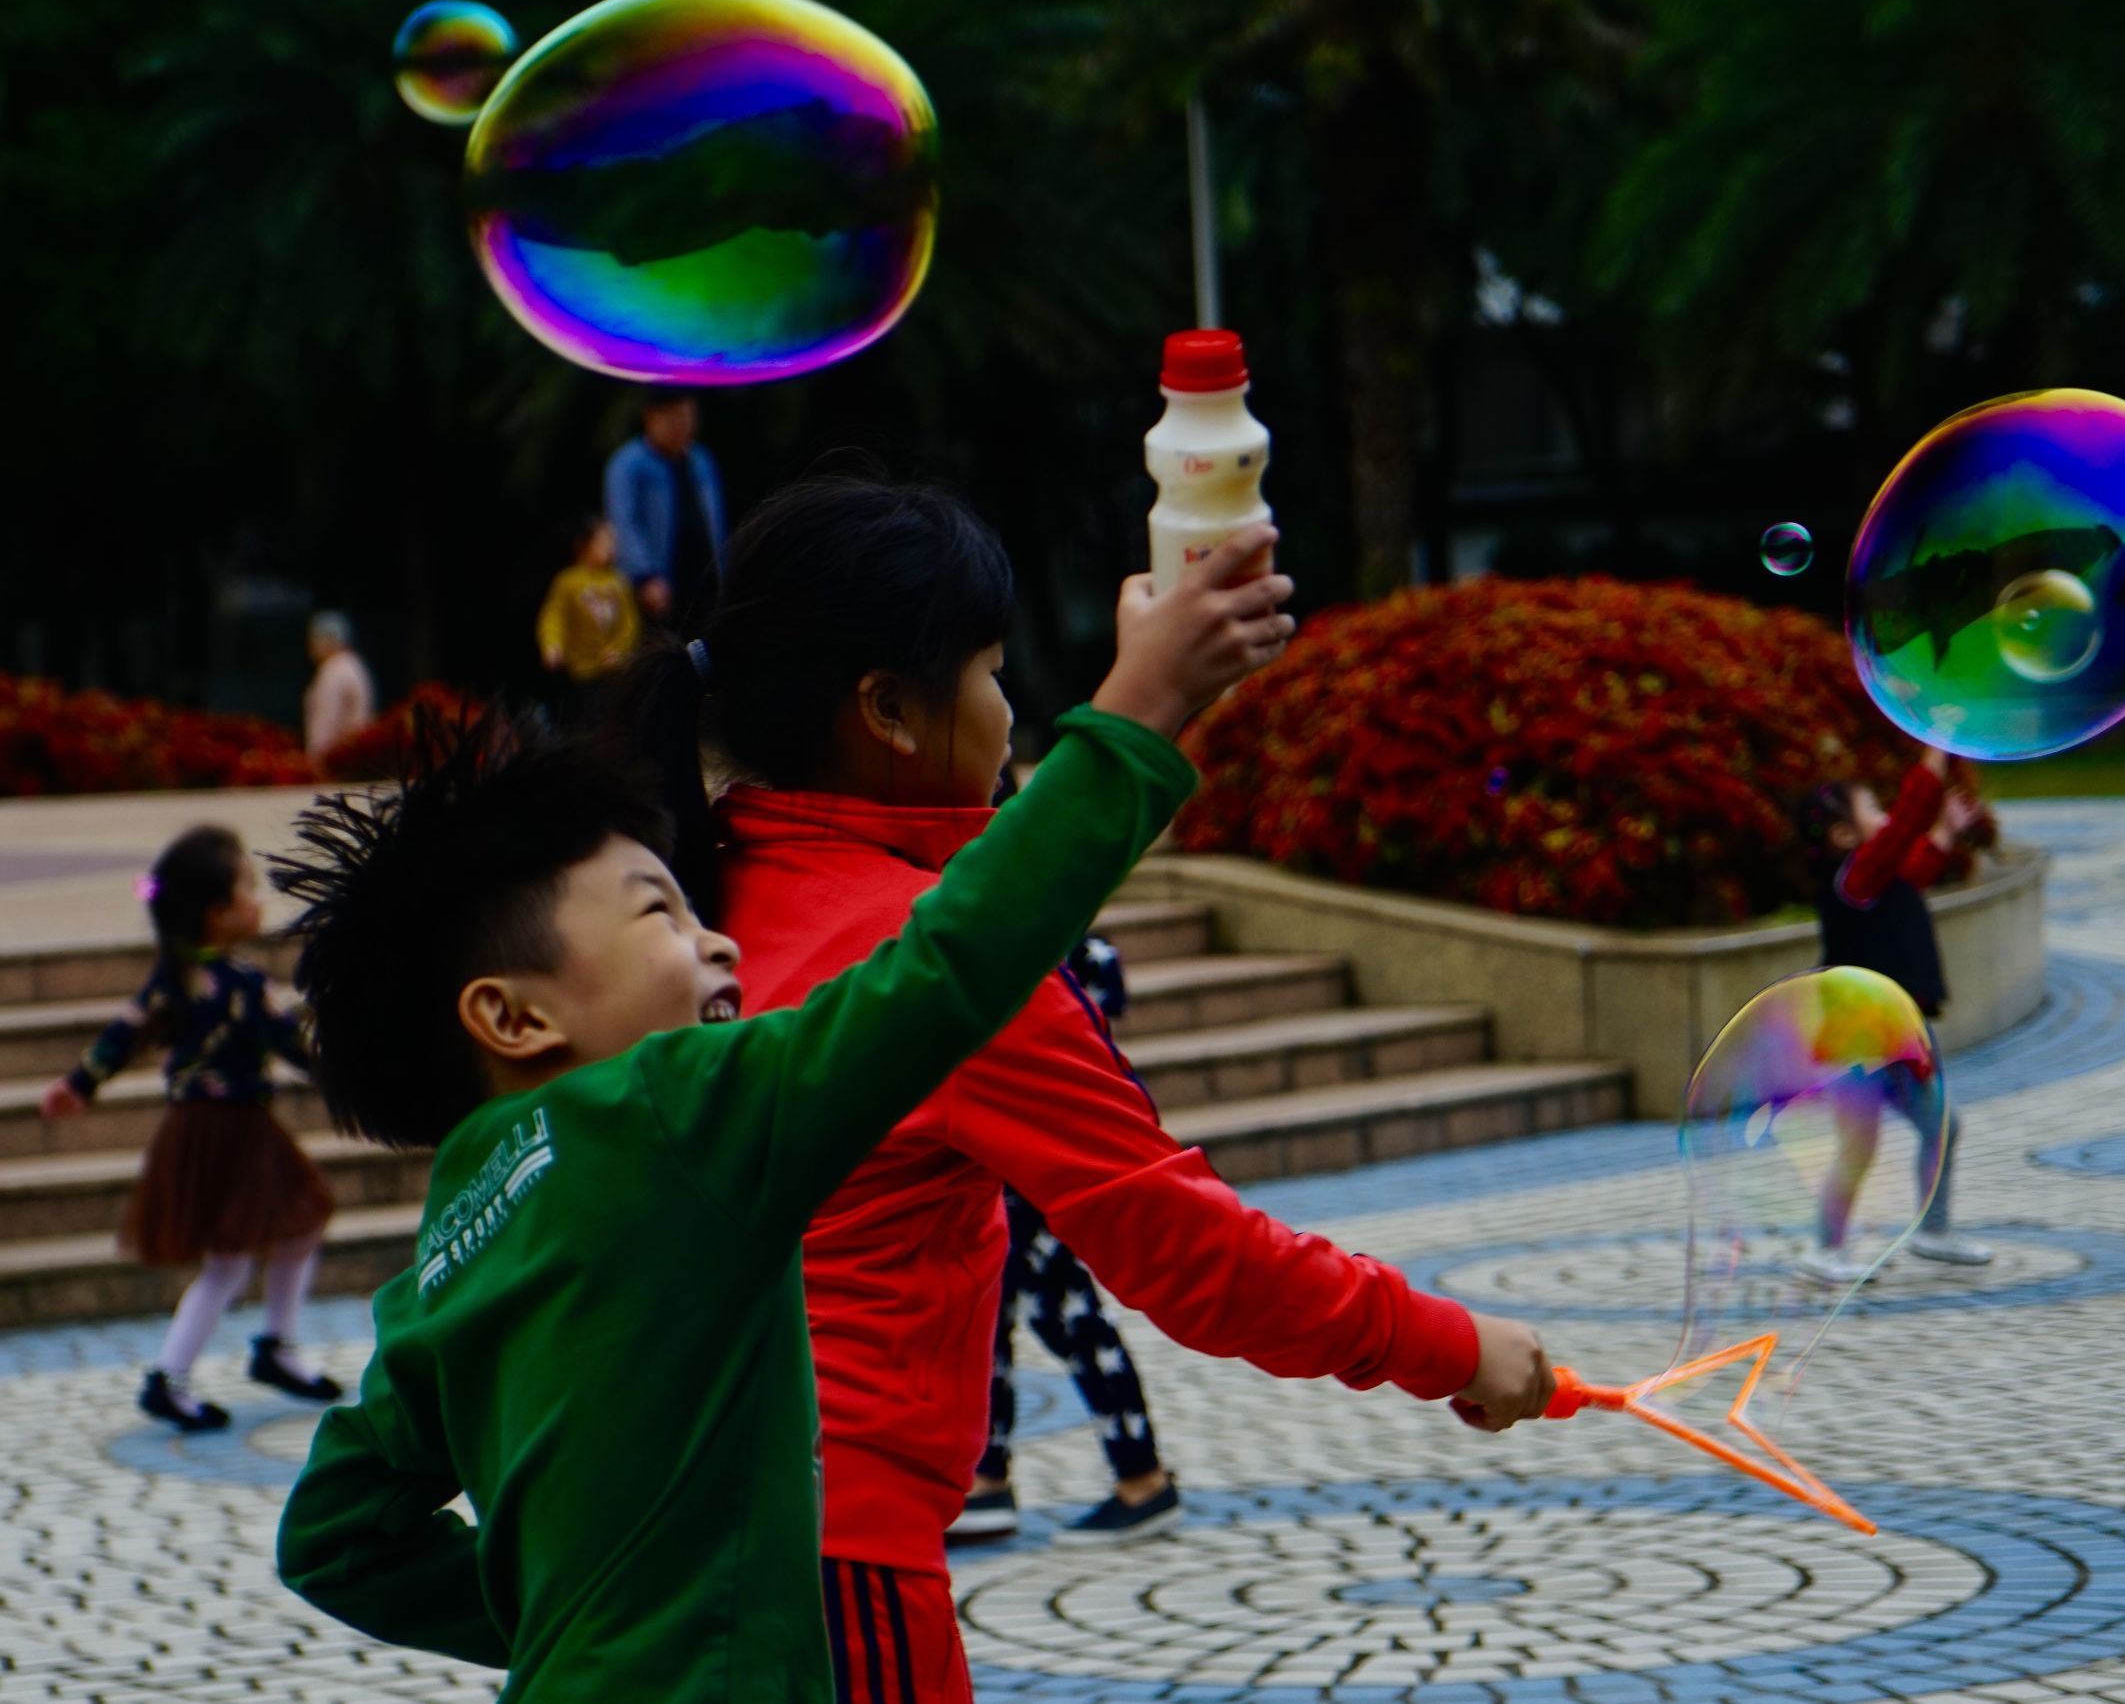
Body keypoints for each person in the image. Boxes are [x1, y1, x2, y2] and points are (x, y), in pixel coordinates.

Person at [265, 538, 1300, 1703]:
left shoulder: (452, 1243)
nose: (716, 938)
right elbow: (945, 967)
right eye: (660, 909)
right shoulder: (675, 1114)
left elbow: (334, 1537)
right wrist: (1144, 707)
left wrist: (588, 1622)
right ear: (511, 1014)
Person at [619, 476, 1559, 1704]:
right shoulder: (939, 972)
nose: (1009, 715)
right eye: (993, 673)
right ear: (888, 711)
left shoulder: (685, 905)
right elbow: (1187, 1248)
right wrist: (1455, 1343)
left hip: (642, 1560)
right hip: (833, 1575)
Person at [38, 826, 342, 1431]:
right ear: (215, 913)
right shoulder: (228, 985)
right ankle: (173, 1376)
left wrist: (82, 1082)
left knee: (298, 1226)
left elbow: (122, 1035)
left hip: (221, 1129)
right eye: (247, 891)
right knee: (236, 1257)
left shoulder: (196, 980)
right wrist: (80, 1082)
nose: (260, 903)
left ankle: (269, 1349)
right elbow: (293, 1047)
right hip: (225, 1132)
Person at [954, 935, 1181, 1548]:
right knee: (995, 1315)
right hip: (1009, 1150)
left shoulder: (1055, 942)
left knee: (1069, 1318)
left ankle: (1142, 1477)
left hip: (1031, 1155)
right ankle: (987, 1479)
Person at [1796, 747, 1996, 1284]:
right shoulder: (1854, 880)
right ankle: (1824, 1249)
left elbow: (1917, 866)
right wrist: (1934, 749)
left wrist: (1947, 832)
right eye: (1872, 809)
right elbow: (1907, 825)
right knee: (1859, 1144)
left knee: (1944, 1128)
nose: (1887, 817)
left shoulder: (1882, 880)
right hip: (1856, 1041)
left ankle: (1933, 1231)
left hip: (1902, 1034)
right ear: (1844, 837)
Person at [604, 388, 727, 626]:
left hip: (705, 579)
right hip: (660, 585)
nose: (683, 425)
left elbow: (716, 520)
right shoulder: (628, 463)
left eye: (688, 416)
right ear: (651, 417)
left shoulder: (700, 460)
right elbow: (623, 523)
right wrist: (645, 576)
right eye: (674, 417)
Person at [536, 514, 641, 724]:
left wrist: (620, 651)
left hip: (612, 671)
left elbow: (630, 624)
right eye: (604, 542)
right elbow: (553, 616)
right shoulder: (568, 582)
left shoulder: (619, 582)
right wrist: (552, 645)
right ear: (583, 545)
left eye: (613, 542)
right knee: (581, 719)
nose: (611, 548)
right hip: (580, 672)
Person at [304, 611, 375, 764]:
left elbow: (325, 725)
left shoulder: (333, 671)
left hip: (336, 762)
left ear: (330, 639)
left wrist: (316, 762)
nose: (311, 644)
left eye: (315, 638)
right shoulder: (354, 664)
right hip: (355, 760)